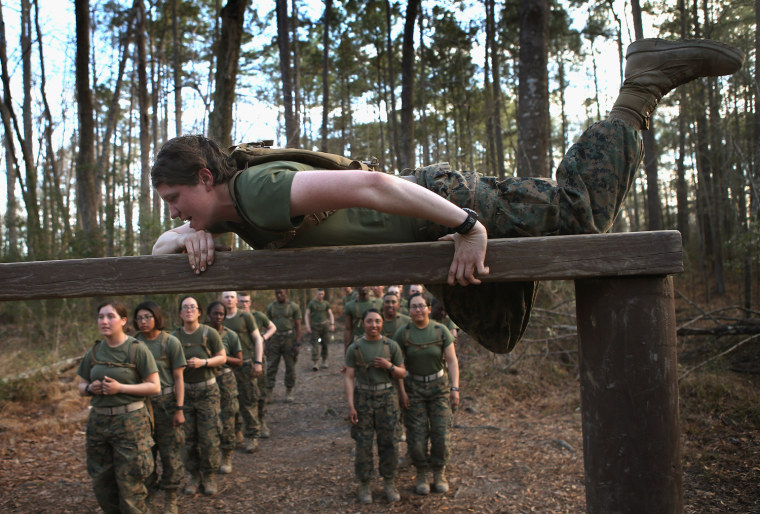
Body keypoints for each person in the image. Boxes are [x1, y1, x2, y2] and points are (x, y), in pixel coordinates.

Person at [151, 39, 744, 353]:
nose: (174, 210)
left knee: (579, 216)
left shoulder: (255, 189)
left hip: (442, 203)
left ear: (206, 178)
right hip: (429, 237)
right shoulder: (230, 212)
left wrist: (467, 225)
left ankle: (640, 87)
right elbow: (157, 256)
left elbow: (372, 185)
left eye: (176, 198)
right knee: (497, 327)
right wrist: (183, 233)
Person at [77, 300, 160, 513]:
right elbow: (80, 385)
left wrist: (120, 387)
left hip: (131, 423)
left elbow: (154, 386)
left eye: (110, 316)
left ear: (123, 321)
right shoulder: (95, 351)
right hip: (99, 423)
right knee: (102, 483)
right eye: (100, 317)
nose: (104, 321)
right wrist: (90, 388)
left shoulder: (136, 349)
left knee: (131, 485)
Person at [394, 293, 459, 495]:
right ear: (409, 311)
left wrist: (455, 388)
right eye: (414, 307)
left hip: (439, 388)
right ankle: (422, 472)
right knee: (416, 437)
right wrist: (402, 393)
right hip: (414, 389)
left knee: (441, 434)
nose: (418, 310)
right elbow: (397, 365)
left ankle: (439, 472)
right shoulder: (403, 334)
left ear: (429, 308)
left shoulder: (440, 331)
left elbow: (452, 361)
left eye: (421, 306)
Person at [345, 309, 407, 504]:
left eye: (377, 321)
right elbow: (348, 376)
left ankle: (389, 482)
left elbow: (402, 373)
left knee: (389, 442)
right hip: (363, 397)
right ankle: (364, 485)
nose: (374, 325)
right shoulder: (354, 348)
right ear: (363, 323)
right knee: (363, 444)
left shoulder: (391, 346)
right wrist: (350, 405)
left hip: (387, 397)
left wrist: (389, 366)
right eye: (370, 321)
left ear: (382, 323)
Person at [134, 301, 186, 514]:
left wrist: (179, 408)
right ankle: (148, 495)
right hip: (141, 405)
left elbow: (178, 378)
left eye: (147, 317)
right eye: (139, 318)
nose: (143, 322)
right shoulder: (133, 344)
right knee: (144, 454)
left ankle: (171, 498)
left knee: (170, 453)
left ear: (157, 317)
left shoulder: (170, 342)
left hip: (166, 403)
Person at [172, 296, 226, 496]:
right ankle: (193, 476)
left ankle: (209, 475)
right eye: (185, 307)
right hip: (184, 392)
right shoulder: (174, 336)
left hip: (207, 391)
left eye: (192, 307)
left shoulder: (208, 333)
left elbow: (221, 357)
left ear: (199, 312)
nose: (188, 310)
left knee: (209, 437)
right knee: (187, 439)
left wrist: (204, 362)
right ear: (180, 313)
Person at [220, 291, 264, 453]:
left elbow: (257, 339)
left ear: (237, 300)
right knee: (230, 404)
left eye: (232, 297)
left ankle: (252, 435)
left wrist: (258, 362)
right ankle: (237, 433)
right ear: (221, 299)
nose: (229, 300)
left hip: (245, 364)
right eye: (226, 297)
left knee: (248, 400)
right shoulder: (218, 317)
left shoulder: (245, 317)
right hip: (225, 367)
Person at [207, 301, 243, 474]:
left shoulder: (231, 335)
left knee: (228, 417)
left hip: (226, 379)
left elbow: (239, 360)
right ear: (209, 315)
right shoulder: (202, 334)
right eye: (215, 313)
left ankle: (227, 455)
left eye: (222, 314)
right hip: (207, 380)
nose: (219, 317)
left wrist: (222, 358)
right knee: (210, 420)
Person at [237, 291, 277, 438]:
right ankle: (243, 425)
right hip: (241, 361)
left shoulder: (257, 316)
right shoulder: (235, 317)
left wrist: (263, 338)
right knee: (244, 394)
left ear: (250, 302)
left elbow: (273, 327)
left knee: (260, 391)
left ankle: (261, 420)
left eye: (246, 301)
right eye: (241, 301)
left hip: (257, 358)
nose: (244, 304)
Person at [265, 289, 302, 403]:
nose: (279, 295)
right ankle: (269, 392)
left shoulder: (293, 307)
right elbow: (266, 325)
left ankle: (289, 390)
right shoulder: (271, 307)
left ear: (286, 292)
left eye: (281, 292)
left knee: (290, 366)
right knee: (271, 366)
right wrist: (266, 344)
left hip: (289, 339)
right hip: (274, 339)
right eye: (277, 293)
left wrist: (297, 343)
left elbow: (298, 326)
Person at [305, 288, 335, 370]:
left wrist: (332, 324)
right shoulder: (312, 303)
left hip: (324, 326)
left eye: (322, 294)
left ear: (324, 294)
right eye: (319, 294)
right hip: (315, 327)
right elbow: (307, 315)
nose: (320, 295)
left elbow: (330, 314)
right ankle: (315, 362)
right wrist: (307, 326)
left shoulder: (326, 303)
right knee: (315, 344)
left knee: (325, 343)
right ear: (316, 294)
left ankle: (324, 360)